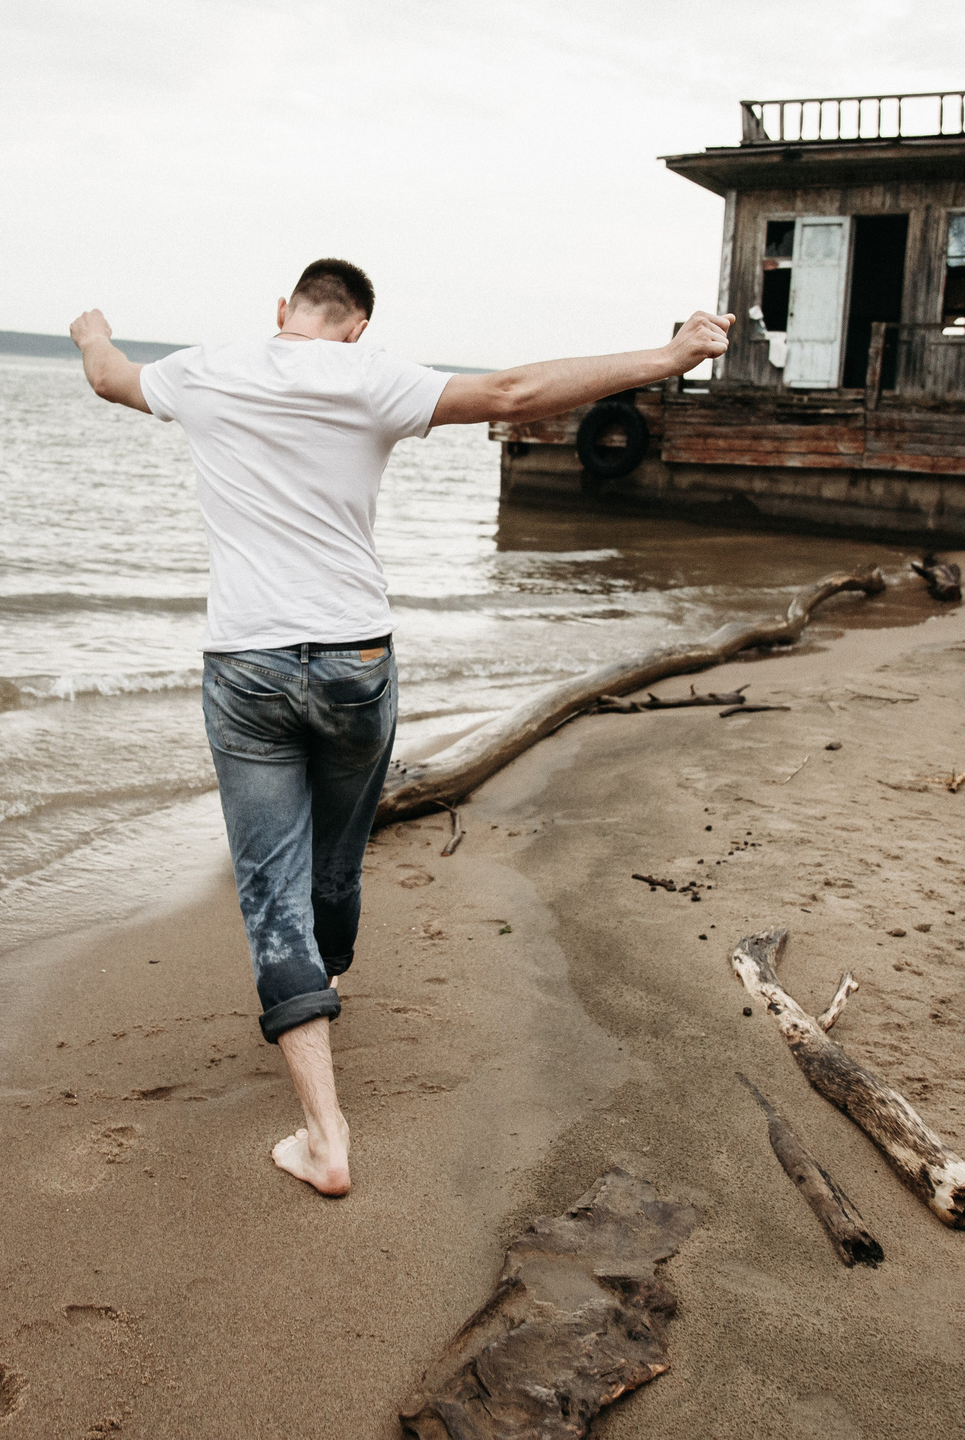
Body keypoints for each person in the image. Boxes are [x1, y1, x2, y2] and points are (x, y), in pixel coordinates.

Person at [70, 259, 730, 1196]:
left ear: (282, 312)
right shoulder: (372, 379)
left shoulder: (208, 369)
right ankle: (318, 976)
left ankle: (323, 1130)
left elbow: (109, 376)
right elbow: (514, 389)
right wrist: (669, 354)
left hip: (248, 665)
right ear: (358, 326)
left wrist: (91, 329)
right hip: (355, 661)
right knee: (334, 864)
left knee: (270, 894)